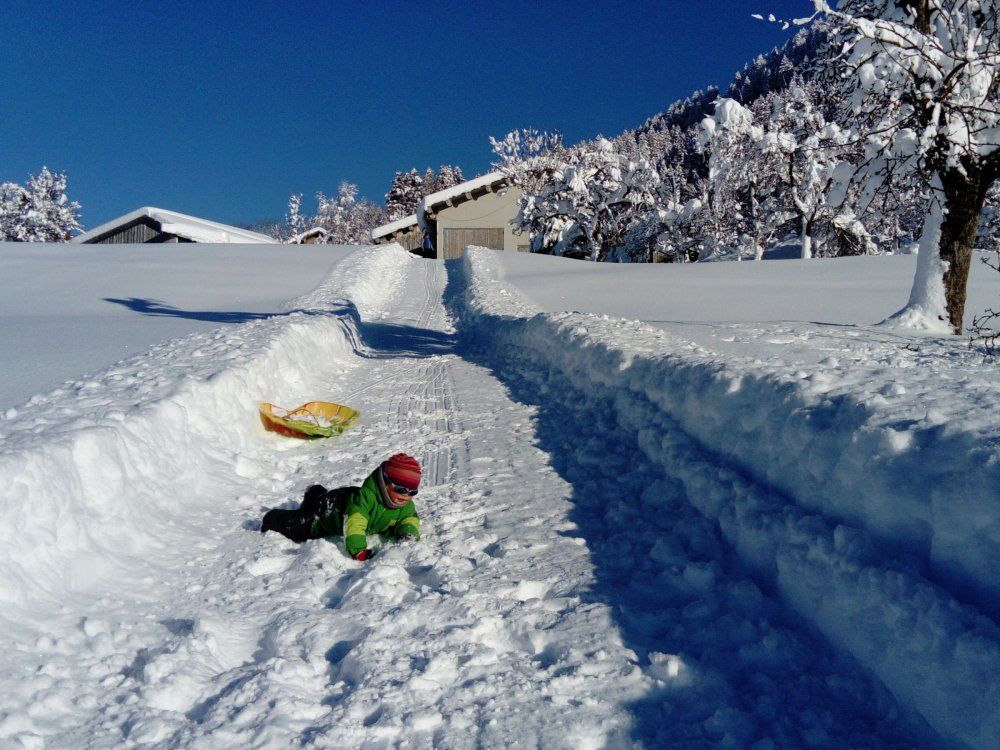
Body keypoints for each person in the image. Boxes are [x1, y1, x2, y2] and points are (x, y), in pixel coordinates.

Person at [260, 453, 421, 561]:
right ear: (384, 483)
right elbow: (355, 523)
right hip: (326, 513)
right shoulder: (365, 499)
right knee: (298, 526)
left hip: (342, 497)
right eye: (400, 489)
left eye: (412, 491)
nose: (406, 495)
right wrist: (358, 550)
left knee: (318, 498)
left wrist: (408, 533)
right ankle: (272, 517)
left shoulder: (405, 505)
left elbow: (409, 519)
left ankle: (315, 493)